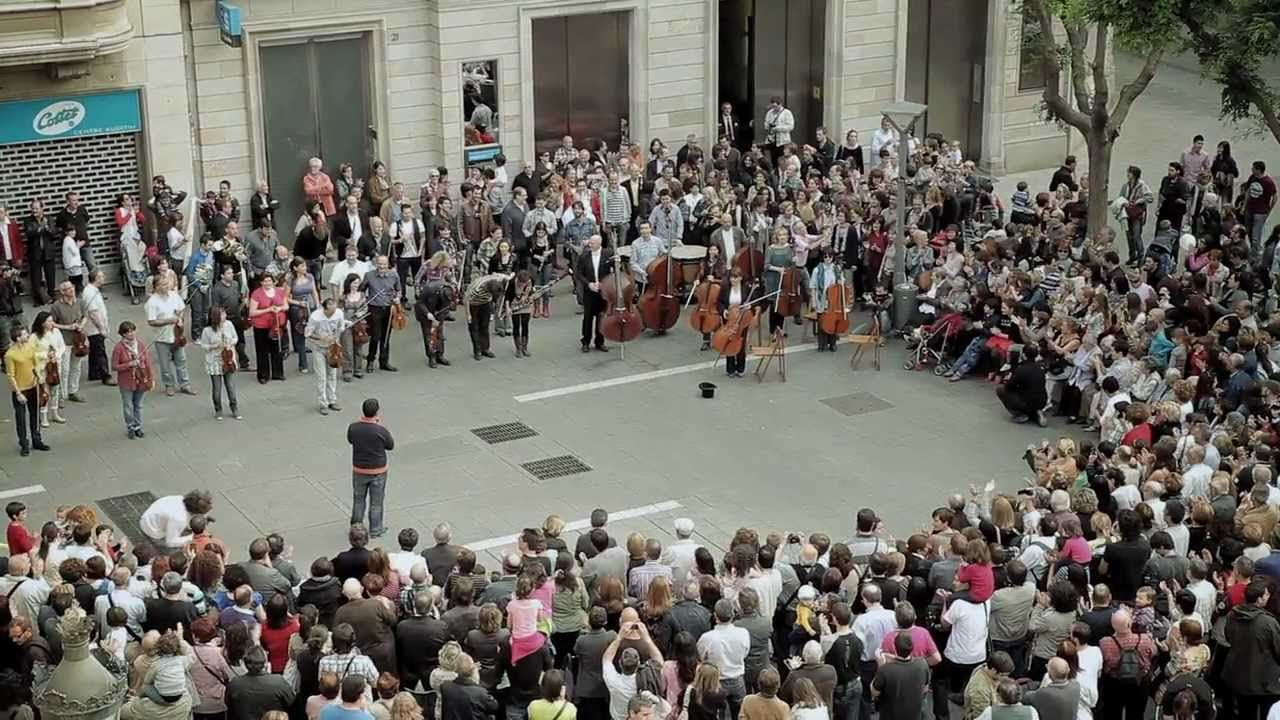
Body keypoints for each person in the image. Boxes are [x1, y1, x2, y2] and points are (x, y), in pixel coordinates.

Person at [348, 398, 395, 539]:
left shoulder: (353, 427)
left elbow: (350, 440)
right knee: (376, 501)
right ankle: (375, 529)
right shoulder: (380, 430)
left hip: (359, 469)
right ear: (377, 412)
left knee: (358, 499)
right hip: (378, 470)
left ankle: (356, 528)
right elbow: (390, 446)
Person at [4, 324, 45, 455]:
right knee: (21, 418)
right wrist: (18, 393)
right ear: (17, 338)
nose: (27, 335)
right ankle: (24, 444)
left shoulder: (30, 347)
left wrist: (39, 373)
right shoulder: (10, 355)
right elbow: (10, 375)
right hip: (21, 390)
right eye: (24, 334)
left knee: (35, 414)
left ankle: (37, 440)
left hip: (33, 385)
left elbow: (35, 363)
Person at [872, 632, 931, 720]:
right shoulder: (922, 663)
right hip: (914, 715)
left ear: (895, 648)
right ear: (912, 647)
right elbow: (925, 689)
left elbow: (874, 692)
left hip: (890, 716)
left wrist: (880, 666)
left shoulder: (885, 670)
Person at [196, 306, 241, 420]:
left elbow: (236, 338)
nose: (225, 315)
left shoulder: (229, 324)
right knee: (217, 388)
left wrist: (230, 343)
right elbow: (204, 346)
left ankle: (234, 408)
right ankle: (218, 409)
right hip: (214, 360)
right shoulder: (207, 330)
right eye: (222, 314)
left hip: (228, 358)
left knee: (230, 386)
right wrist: (214, 346)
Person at [111, 320, 154, 439]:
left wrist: (151, 377)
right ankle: (130, 426)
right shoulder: (119, 348)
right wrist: (129, 364)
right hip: (126, 382)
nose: (132, 334)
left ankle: (138, 426)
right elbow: (114, 366)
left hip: (141, 378)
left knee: (138, 405)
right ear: (123, 334)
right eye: (128, 332)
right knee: (128, 405)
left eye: (133, 331)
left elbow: (148, 362)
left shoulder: (140, 345)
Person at [306, 298, 347, 415]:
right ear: (325, 308)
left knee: (332, 375)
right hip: (319, 348)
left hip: (333, 348)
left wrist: (337, 340)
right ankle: (322, 403)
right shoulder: (315, 317)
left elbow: (340, 328)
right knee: (322, 377)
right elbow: (308, 334)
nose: (334, 312)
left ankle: (332, 400)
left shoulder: (339, 313)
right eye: (331, 310)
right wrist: (321, 338)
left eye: (335, 308)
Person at [362, 255, 402, 373]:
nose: (382, 266)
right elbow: (362, 289)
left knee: (386, 338)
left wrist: (398, 298)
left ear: (388, 264)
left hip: (389, 309)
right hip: (374, 308)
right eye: (380, 264)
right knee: (375, 336)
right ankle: (370, 361)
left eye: (384, 264)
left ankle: (384, 362)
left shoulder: (394, 275)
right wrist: (363, 298)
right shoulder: (369, 275)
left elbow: (398, 290)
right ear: (376, 264)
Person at [248, 273, 288, 383]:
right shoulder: (256, 294)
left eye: (269, 280)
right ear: (261, 282)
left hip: (276, 324)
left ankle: (278, 373)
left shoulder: (279, 291)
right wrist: (268, 309)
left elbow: (286, 306)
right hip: (261, 326)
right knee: (262, 351)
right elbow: (252, 312)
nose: (267, 283)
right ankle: (263, 375)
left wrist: (278, 309)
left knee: (277, 349)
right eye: (265, 281)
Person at [576, 234, 611, 352]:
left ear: (599, 243)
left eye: (592, 243)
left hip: (603, 291)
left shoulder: (608, 254)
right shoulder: (584, 256)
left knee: (601, 316)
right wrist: (588, 284)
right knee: (588, 317)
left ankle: (600, 341)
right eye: (589, 243)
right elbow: (579, 273)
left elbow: (612, 272)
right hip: (589, 291)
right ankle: (585, 341)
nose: (589, 245)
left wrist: (604, 283)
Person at [464, 273, 507, 361]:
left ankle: (485, 349)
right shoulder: (477, 289)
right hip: (473, 304)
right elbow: (466, 300)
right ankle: (477, 351)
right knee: (474, 327)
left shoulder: (498, 281)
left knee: (484, 326)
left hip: (486, 303)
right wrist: (468, 314)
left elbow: (505, 276)